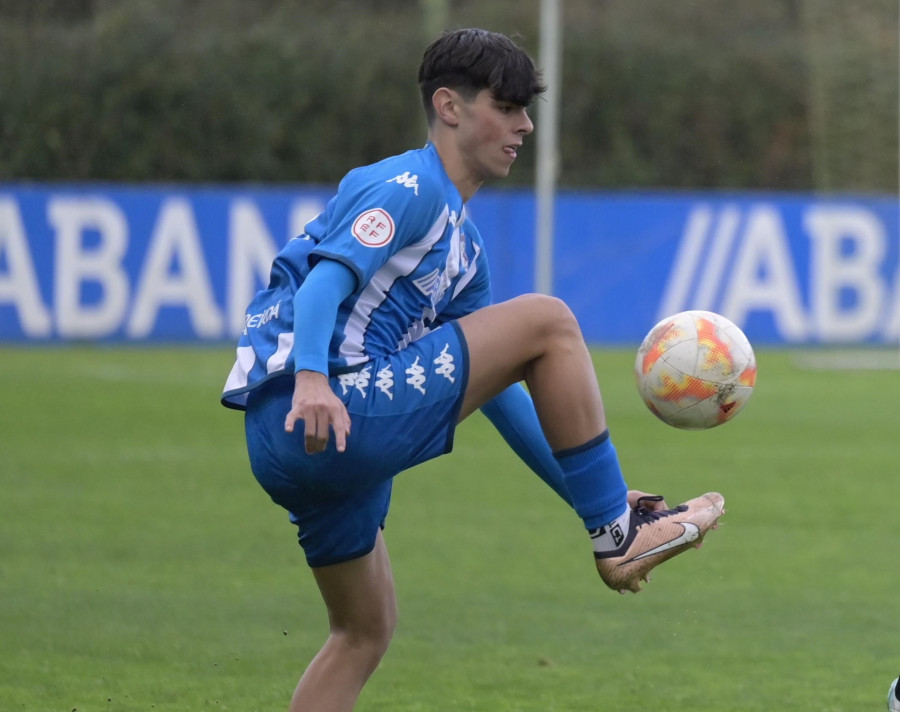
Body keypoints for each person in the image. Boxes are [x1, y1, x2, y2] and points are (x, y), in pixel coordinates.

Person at [221, 27, 724, 712]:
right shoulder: (409, 188)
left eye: (525, 109)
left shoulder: (465, 248)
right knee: (549, 320)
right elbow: (321, 286)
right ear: (450, 106)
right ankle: (618, 539)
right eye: (508, 106)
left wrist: (601, 495)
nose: (524, 125)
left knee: (364, 630)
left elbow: (505, 388)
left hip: (296, 446)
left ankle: (612, 525)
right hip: (330, 403)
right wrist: (312, 378)